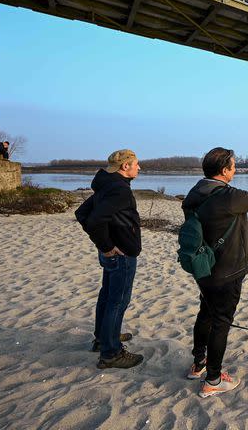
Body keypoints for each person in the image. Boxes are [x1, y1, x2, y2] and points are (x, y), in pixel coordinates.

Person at [182, 147, 248, 398]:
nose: (236, 170)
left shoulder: (195, 192)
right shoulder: (227, 197)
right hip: (226, 270)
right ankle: (213, 379)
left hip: (203, 267)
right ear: (224, 171)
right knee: (221, 323)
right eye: (233, 166)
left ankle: (198, 364)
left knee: (206, 315)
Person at [75, 149, 144, 369]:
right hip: (120, 254)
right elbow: (92, 220)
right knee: (118, 301)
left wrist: (103, 245)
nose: (139, 168)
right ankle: (111, 352)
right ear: (125, 166)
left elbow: (82, 214)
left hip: (114, 252)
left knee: (107, 297)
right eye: (136, 164)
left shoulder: (107, 185)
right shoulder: (119, 189)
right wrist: (106, 246)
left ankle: (103, 338)